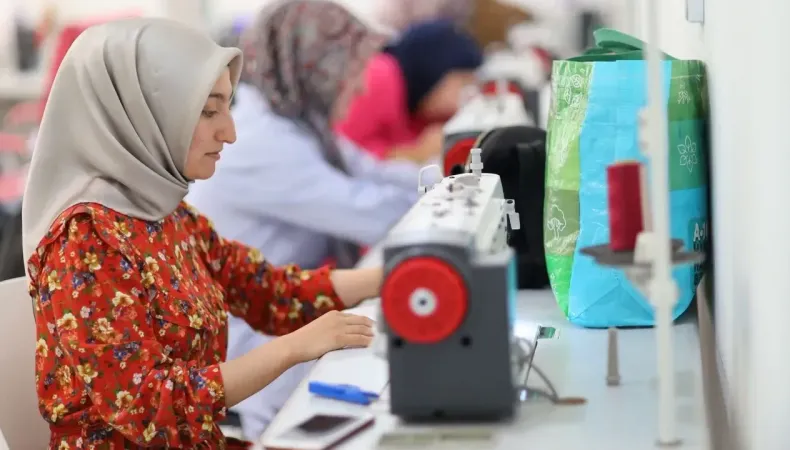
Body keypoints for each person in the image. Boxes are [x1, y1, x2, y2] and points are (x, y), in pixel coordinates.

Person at [23, 17, 380, 450]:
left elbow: (267, 291)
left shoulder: (168, 217)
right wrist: (292, 349)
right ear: (142, 113)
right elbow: (148, 407)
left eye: (227, 108)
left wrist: (388, 277)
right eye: (209, 111)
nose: (229, 133)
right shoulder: (85, 240)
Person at [185, 0, 423, 441]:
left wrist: (446, 178)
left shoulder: (300, 126)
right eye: (348, 70)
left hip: (279, 319)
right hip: (248, 356)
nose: (360, 87)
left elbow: (376, 176)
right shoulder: (261, 142)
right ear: (315, 67)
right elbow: (371, 214)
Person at [335, 19, 483, 162]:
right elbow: (344, 154)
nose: (466, 94)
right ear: (435, 70)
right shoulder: (379, 77)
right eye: (462, 83)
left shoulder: (420, 103)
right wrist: (416, 153)